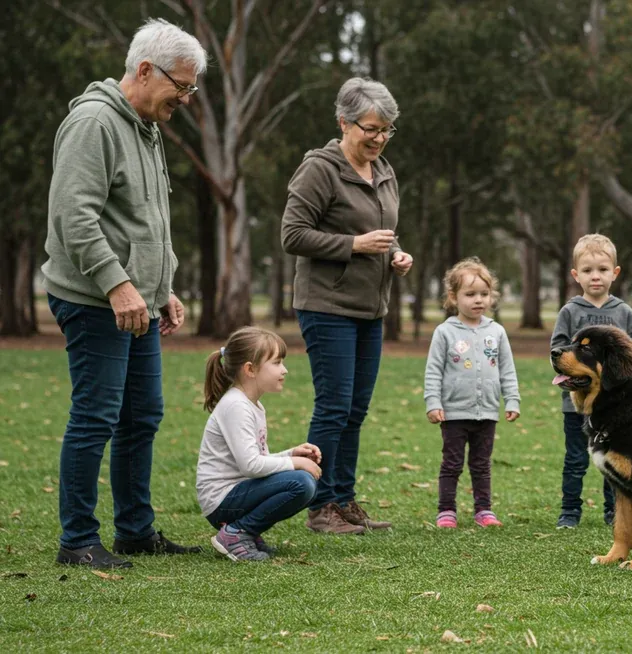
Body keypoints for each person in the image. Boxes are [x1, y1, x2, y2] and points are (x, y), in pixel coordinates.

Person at [42, 18, 207, 569]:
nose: (185, 97)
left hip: (137, 301)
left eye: (190, 88)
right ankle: (78, 541)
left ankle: (136, 530)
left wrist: (163, 288)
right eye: (180, 86)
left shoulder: (146, 128)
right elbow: (75, 216)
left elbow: (146, 221)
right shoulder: (94, 122)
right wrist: (117, 285)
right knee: (96, 416)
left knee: (142, 416)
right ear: (144, 69)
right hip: (94, 300)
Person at [281, 77, 414, 535]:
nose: (379, 138)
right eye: (371, 128)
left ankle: (343, 498)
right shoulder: (319, 170)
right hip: (327, 305)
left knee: (356, 409)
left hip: (369, 307)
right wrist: (353, 244)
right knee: (334, 406)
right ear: (344, 122)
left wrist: (396, 254)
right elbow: (292, 235)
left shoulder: (384, 171)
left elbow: (383, 228)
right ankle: (318, 507)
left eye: (387, 130)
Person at [197, 327, 325, 560]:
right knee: (302, 483)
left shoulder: (252, 404)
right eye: (276, 363)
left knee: (304, 481)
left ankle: (246, 532)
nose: (284, 370)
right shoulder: (237, 406)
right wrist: (294, 462)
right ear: (250, 369)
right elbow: (251, 467)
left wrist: (292, 453)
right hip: (221, 501)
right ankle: (236, 533)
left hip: (236, 493)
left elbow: (257, 460)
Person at [551, 234, 632, 529]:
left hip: (617, 409)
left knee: (613, 460)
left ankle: (613, 512)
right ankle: (569, 513)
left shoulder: (623, 312)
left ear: (615, 273)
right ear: (576, 275)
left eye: (603, 270)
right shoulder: (570, 311)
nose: (595, 277)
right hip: (577, 407)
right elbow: (558, 349)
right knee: (576, 461)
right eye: (588, 270)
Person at [424, 258, 520, 529]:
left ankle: (484, 510)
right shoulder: (444, 332)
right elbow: (433, 371)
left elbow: (507, 370)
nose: (478, 300)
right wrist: (433, 402)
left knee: (481, 465)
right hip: (453, 412)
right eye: (470, 294)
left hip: (487, 412)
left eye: (484, 294)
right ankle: (446, 510)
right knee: (451, 464)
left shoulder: (497, 332)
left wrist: (512, 399)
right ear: (453, 297)